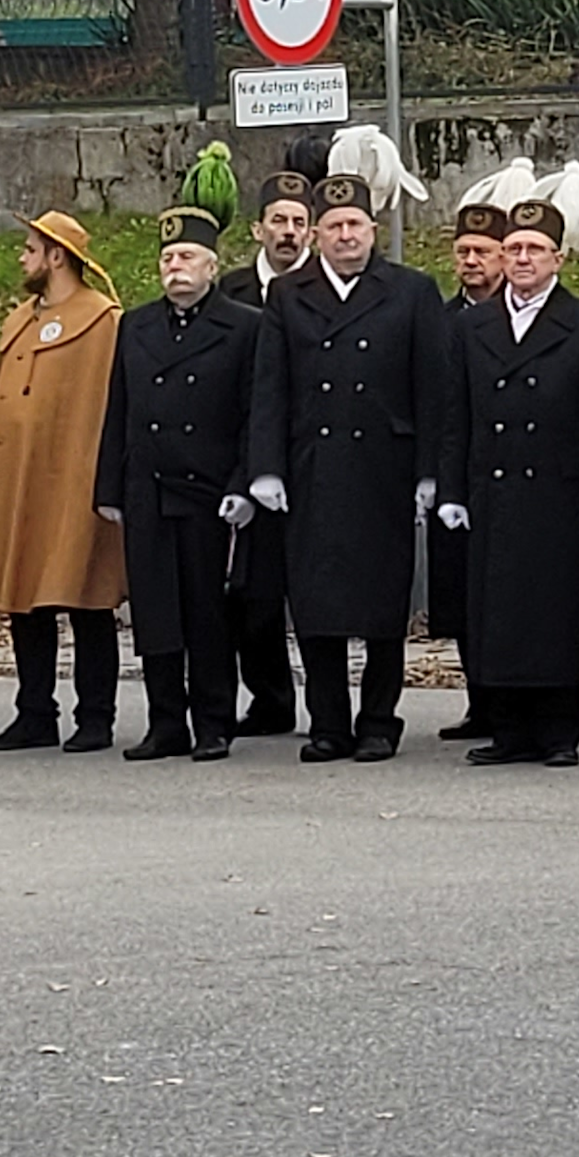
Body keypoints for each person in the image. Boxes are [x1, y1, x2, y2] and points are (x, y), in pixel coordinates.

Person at [248, 168, 456, 761]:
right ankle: (329, 724)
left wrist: (430, 471)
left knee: (382, 605)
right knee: (316, 604)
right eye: (335, 226)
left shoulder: (411, 291)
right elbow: (271, 385)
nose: (346, 236)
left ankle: (379, 722)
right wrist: (266, 466)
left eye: (356, 225)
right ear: (317, 233)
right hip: (312, 467)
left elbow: (433, 388)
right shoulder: (288, 293)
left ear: (373, 229)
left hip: (383, 469)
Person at [436, 195, 579, 764]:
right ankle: (509, 729)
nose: (522, 258)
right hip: (493, 489)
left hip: (558, 492)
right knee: (499, 611)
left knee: (553, 611)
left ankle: (560, 730)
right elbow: (456, 413)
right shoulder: (471, 325)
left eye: (534, 249)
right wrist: (452, 490)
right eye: (514, 248)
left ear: (558, 258)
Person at [94, 201, 266, 761]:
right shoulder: (136, 324)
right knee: (155, 612)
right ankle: (165, 721)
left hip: (208, 491)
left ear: (212, 265)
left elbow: (253, 414)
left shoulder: (245, 326)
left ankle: (213, 722)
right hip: (148, 486)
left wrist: (243, 483)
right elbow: (118, 409)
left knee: (206, 612)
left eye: (187, 257)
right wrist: (109, 488)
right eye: (168, 258)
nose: (176, 268)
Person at [0, 210, 129, 752]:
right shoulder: (19, 320)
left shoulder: (102, 320)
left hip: (74, 480)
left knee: (86, 596)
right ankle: (34, 711)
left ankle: (95, 716)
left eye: (30, 249)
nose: (21, 257)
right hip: (19, 480)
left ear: (57, 256)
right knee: (24, 598)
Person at [216, 163, 322, 740]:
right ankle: (270, 699)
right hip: (246, 456)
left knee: (312, 592)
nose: (289, 232)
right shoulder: (230, 291)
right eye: (279, 221)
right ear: (258, 229)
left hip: (310, 460)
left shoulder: (325, 290)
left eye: (299, 222)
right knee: (252, 594)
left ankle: (327, 705)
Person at [428, 199, 508, 738]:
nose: (471, 261)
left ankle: (510, 703)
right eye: (463, 252)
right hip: (455, 471)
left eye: (482, 251)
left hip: (507, 469)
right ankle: (479, 701)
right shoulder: (440, 318)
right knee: (461, 595)